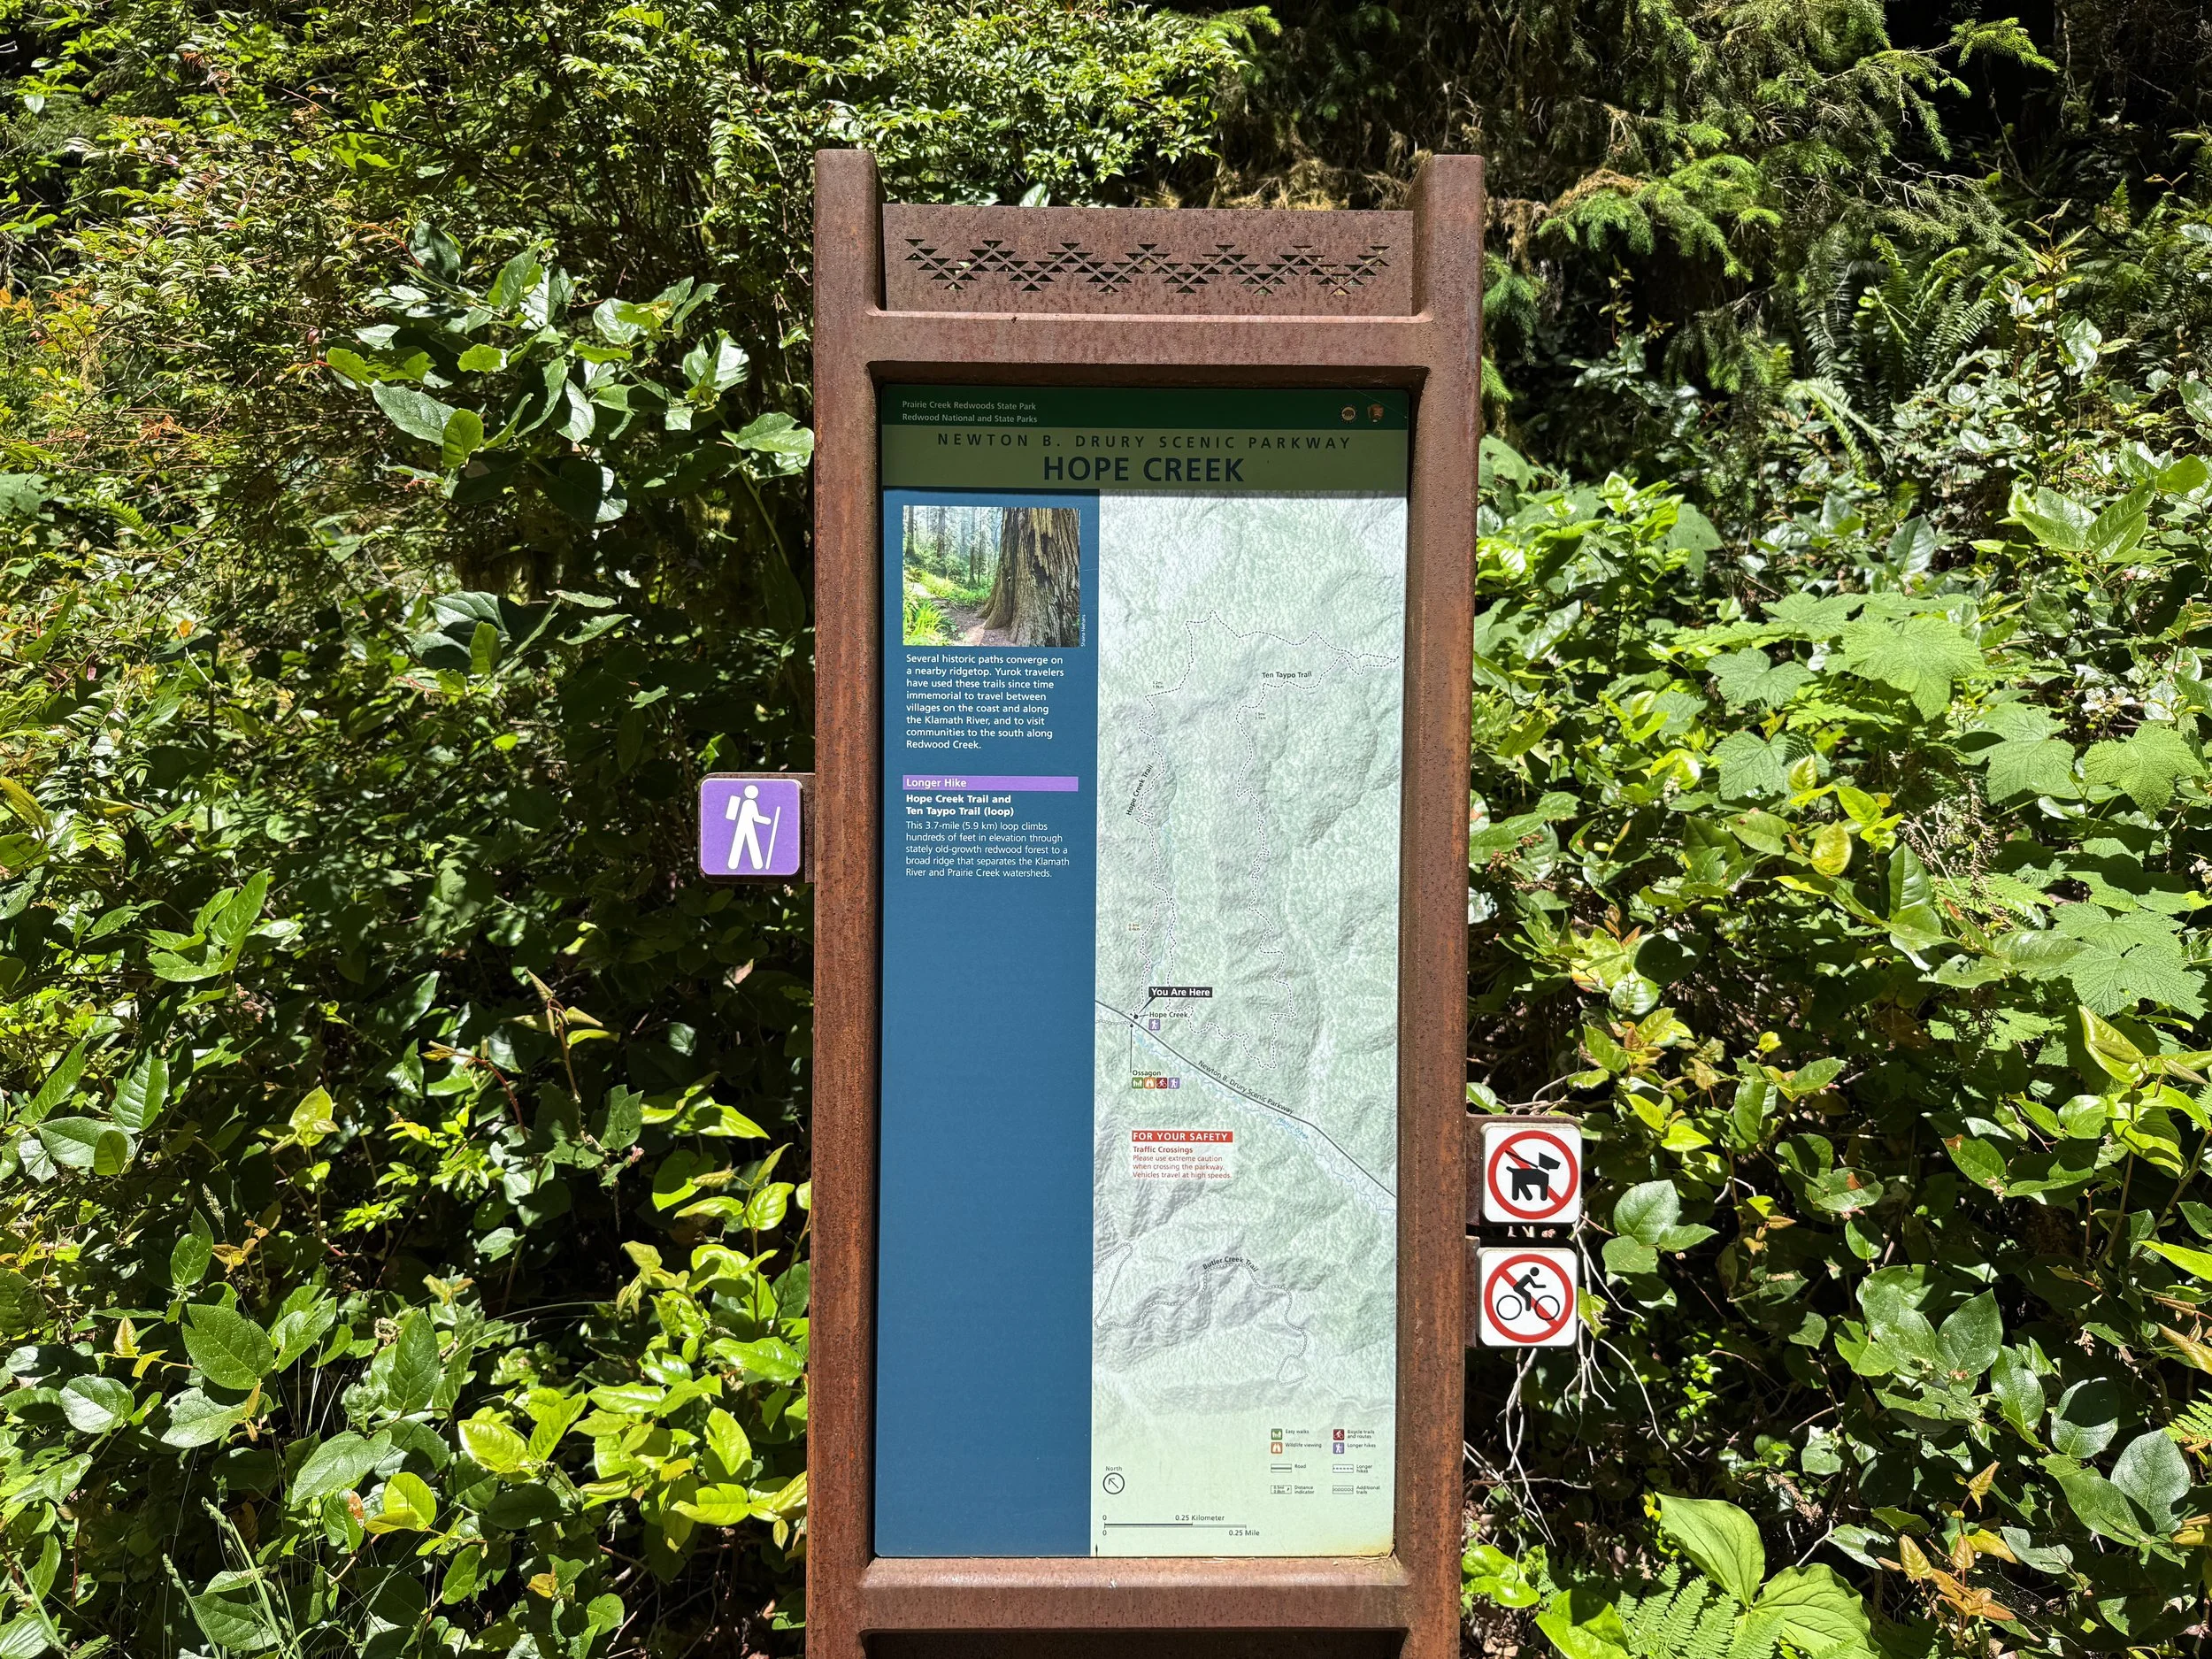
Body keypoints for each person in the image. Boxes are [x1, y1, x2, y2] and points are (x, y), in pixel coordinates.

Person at [728, 783, 777, 872]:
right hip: (746, 825)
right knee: (751, 844)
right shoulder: (750, 803)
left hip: (743, 825)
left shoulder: (747, 802)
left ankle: (733, 864)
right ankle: (757, 865)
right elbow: (755, 817)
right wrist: (767, 821)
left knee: (740, 844)